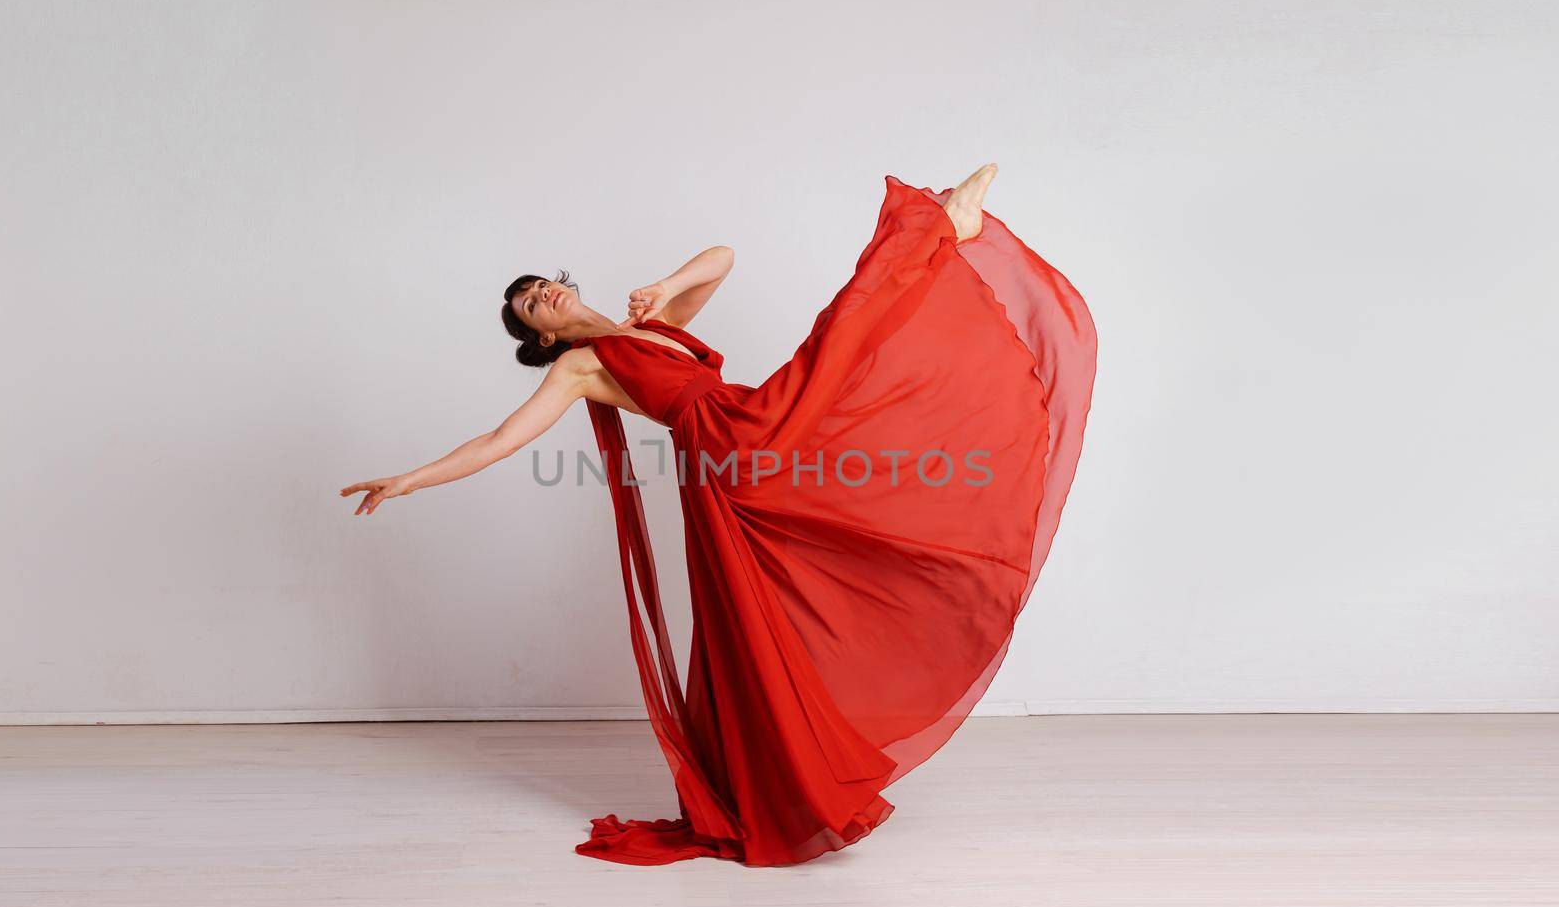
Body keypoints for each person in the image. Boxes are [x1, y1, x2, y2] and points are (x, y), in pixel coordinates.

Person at [340, 165, 1098, 866]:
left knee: (812, 528)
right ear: (542, 336)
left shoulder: (651, 318)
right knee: (838, 347)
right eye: (536, 304)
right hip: (731, 447)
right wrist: (411, 479)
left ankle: (939, 238)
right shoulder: (582, 367)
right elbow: (502, 439)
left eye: (546, 283)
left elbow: (724, 256)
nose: (551, 295)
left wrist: (664, 283)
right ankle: (938, 231)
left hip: (745, 433)